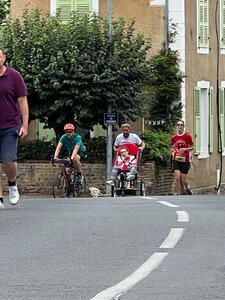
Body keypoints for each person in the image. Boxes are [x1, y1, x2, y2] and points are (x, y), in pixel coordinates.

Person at [0, 47, 29, 208]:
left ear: (4, 58)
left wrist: (25, 125)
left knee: (7, 159)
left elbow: (22, 101)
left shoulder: (14, 76)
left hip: (10, 125)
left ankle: (12, 183)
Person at [170, 120, 194, 195]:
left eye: (181, 125)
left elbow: (192, 147)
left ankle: (187, 188)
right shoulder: (174, 137)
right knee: (177, 177)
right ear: (176, 126)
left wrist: (185, 149)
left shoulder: (187, 136)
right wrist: (172, 151)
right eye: (178, 125)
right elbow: (172, 147)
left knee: (183, 180)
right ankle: (176, 193)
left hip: (185, 159)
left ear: (183, 127)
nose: (180, 126)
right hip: (176, 159)